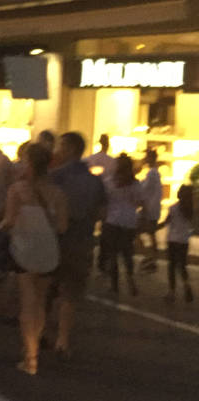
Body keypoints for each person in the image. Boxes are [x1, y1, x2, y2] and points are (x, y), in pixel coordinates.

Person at [0, 144, 68, 376]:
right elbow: (62, 226)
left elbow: (8, 220)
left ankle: (30, 357)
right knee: (40, 302)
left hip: (24, 248)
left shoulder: (17, 190)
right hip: (48, 250)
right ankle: (33, 347)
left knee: (27, 303)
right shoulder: (57, 193)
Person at [49, 132, 106, 357]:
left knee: (46, 288)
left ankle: (39, 333)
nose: (59, 151)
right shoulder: (95, 181)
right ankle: (63, 340)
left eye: (62, 146)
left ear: (71, 149)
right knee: (71, 293)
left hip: (55, 239)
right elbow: (102, 211)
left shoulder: (55, 177)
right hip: (82, 240)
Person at [101, 154, 143, 296]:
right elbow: (139, 202)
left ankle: (114, 285)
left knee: (112, 254)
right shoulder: (135, 184)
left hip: (112, 220)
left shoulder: (109, 182)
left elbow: (104, 201)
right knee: (127, 253)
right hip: (129, 221)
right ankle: (130, 278)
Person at [161, 185, 194, 304]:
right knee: (182, 266)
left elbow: (166, 221)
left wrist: (156, 226)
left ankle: (171, 292)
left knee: (172, 266)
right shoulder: (190, 209)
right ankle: (186, 285)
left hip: (173, 240)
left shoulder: (173, 207)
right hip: (184, 240)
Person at [138, 149, 162, 272]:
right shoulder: (155, 172)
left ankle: (149, 257)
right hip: (153, 209)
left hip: (149, 209)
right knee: (151, 234)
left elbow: (144, 189)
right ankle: (151, 258)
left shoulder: (152, 173)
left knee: (139, 232)